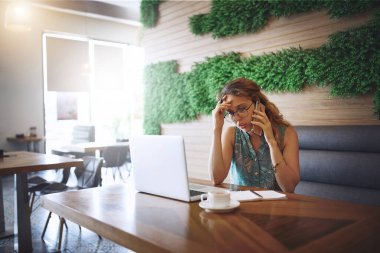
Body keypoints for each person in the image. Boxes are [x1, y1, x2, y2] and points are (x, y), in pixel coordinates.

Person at [209, 77, 300, 192]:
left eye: (241, 109)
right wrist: (217, 128)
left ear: (258, 104)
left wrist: (271, 141)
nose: (237, 118)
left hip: (276, 207)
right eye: (231, 112)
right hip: (240, 206)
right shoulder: (231, 134)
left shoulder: (287, 134)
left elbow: (289, 187)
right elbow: (216, 179)